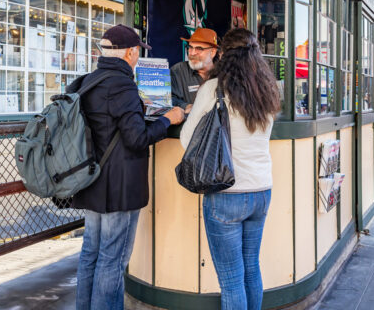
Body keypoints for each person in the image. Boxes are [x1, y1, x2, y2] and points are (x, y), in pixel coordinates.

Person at [71, 24, 185, 310]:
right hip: (119, 188)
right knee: (113, 259)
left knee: (90, 254)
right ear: (131, 52)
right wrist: (167, 119)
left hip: (92, 181)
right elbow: (137, 137)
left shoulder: (88, 81)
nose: (137, 57)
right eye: (137, 52)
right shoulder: (122, 85)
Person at [180, 28, 280, 310]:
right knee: (251, 269)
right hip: (261, 190)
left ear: (223, 55)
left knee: (232, 281)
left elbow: (188, 140)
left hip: (227, 191)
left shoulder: (213, 89)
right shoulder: (268, 90)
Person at [171, 28, 219, 111]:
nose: (192, 53)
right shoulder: (178, 70)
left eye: (199, 49)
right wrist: (186, 106)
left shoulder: (224, 74)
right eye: (190, 47)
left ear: (213, 52)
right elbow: (168, 99)